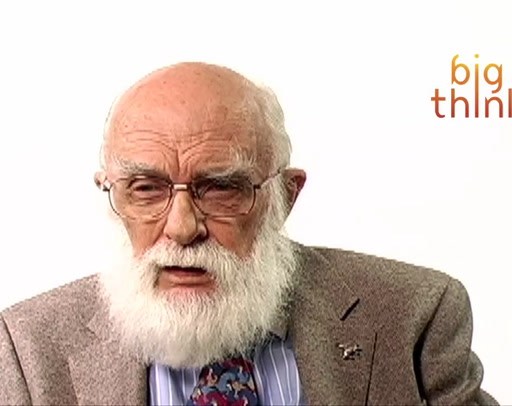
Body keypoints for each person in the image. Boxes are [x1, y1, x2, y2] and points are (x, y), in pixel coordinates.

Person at [0, 62, 497, 406]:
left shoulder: (413, 317)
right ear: (113, 196)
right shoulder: (26, 349)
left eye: (220, 188)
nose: (181, 228)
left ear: (285, 197)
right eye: (146, 189)